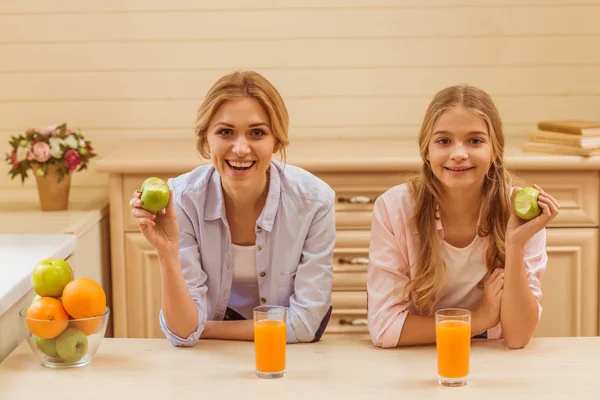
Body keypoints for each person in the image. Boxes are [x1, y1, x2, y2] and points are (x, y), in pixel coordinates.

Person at [129, 71, 336, 346]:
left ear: (277, 141)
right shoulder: (182, 200)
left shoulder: (315, 202)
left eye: (257, 133)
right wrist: (166, 252)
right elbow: (182, 332)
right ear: (206, 140)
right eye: (225, 132)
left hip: (284, 355)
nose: (240, 148)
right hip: (213, 358)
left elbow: (305, 325)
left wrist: (204, 330)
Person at [367, 84, 559, 349]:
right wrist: (478, 319)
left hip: (491, 357)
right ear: (426, 150)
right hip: (419, 355)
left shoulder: (520, 212)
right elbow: (385, 329)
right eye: (443, 141)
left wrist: (515, 244)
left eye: (475, 140)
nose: (458, 154)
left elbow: (517, 337)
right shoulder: (394, 208)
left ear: (495, 151)